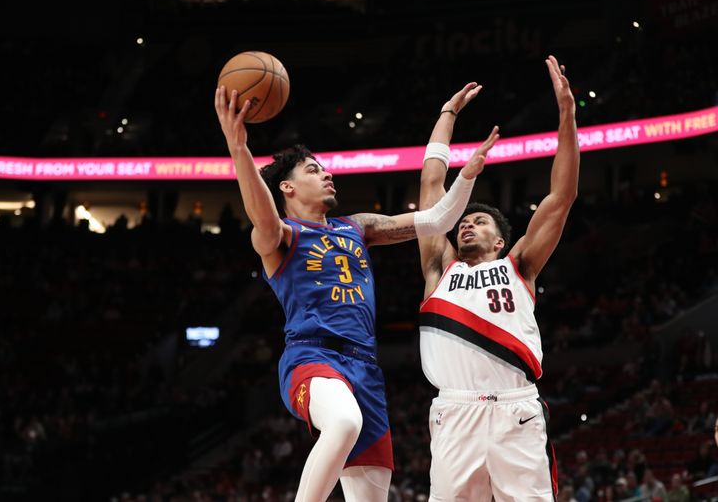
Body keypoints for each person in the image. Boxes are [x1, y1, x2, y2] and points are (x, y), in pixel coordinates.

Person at [214, 83, 496, 501]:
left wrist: (467, 174)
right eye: (312, 170)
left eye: (324, 168)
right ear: (287, 189)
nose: (327, 173)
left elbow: (437, 219)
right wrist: (240, 151)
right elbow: (262, 214)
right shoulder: (282, 237)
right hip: (313, 358)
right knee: (344, 422)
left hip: (366, 367)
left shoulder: (358, 226)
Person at [417, 55, 579, 501]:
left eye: (481, 222)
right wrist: (446, 116)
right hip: (454, 410)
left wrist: (567, 116)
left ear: (500, 243)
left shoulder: (519, 266)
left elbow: (561, 197)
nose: (467, 223)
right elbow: (431, 187)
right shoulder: (438, 267)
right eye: (464, 221)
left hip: (516, 411)